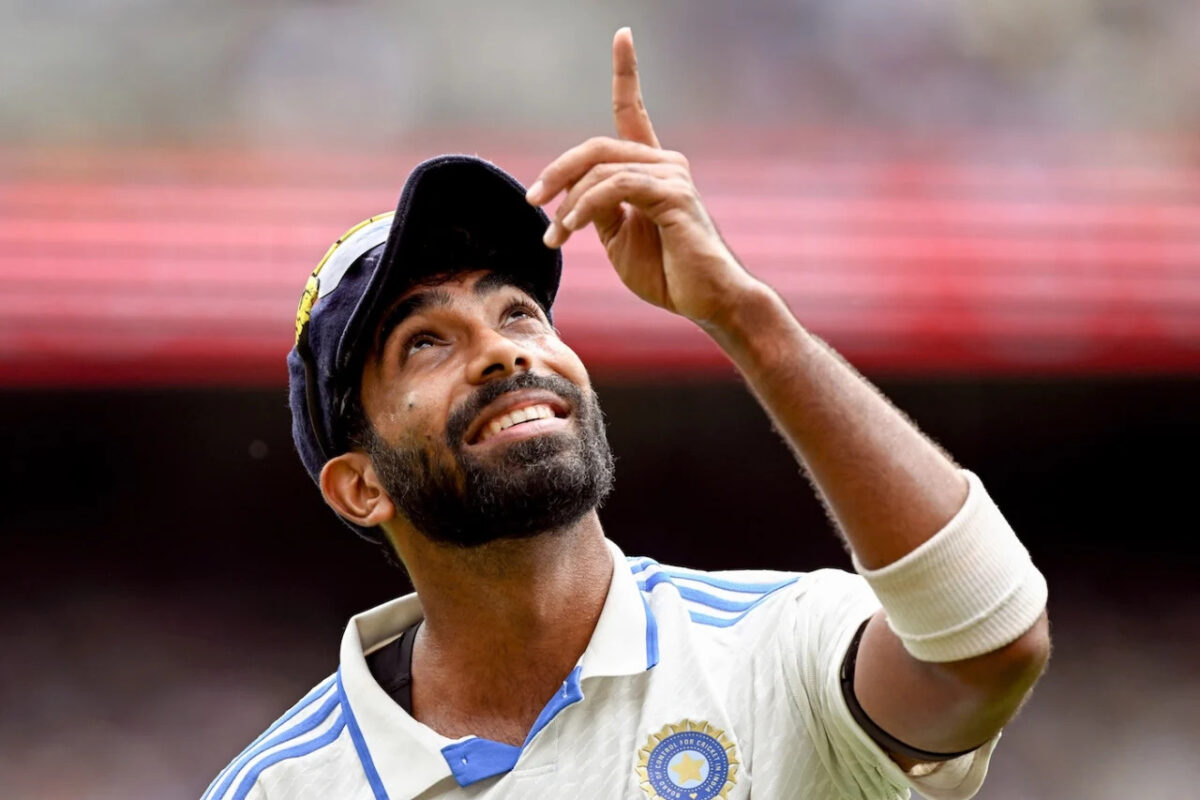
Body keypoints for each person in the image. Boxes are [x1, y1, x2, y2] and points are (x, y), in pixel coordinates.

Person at [204, 28, 1049, 800]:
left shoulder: (774, 648)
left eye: (519, 313)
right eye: (425, 343)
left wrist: (744, 318)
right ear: (358, 487)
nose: (503, 352)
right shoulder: (284, 786)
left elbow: (988, 648)